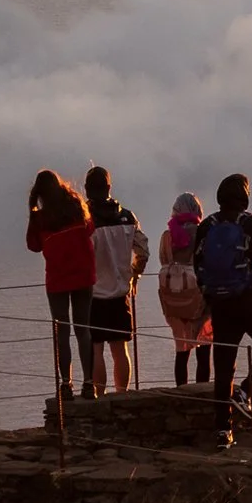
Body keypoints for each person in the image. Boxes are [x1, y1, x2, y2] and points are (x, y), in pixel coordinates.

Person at [195, 173, 252, 443]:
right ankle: (244, 392)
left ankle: (223, 428)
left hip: (221, 304)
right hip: (251, 302)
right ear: (244, 197)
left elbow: (197, 266)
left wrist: (210, 294)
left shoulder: (207, 225)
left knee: (223, 366)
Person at [24, 170, 94, 399]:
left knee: (62, 332)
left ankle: (66, 385)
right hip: (83, 276)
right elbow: (90, 229)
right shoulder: (76, 206)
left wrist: (32, 212)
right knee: (83, 330)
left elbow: (33, 246)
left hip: (57, 280)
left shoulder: (40, 218)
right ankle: (89, 384)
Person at [82, 167, 147, 398]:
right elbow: (143, 251)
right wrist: (135, 274)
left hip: (94, 293)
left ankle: (99, 396)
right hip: (121, 293)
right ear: (109, 188)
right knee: (120, 349)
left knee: (96, 348)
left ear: (87, 189)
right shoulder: (128, 218)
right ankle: (122, 395)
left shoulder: (86, 221)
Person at [156, 194, 212, 388]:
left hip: (175, 299)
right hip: (199, 298)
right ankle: (202, 392)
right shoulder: (203, 233)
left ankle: (181, 391)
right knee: (204, 350)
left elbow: (164, 261)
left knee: (182, 350)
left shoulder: (167, 236)